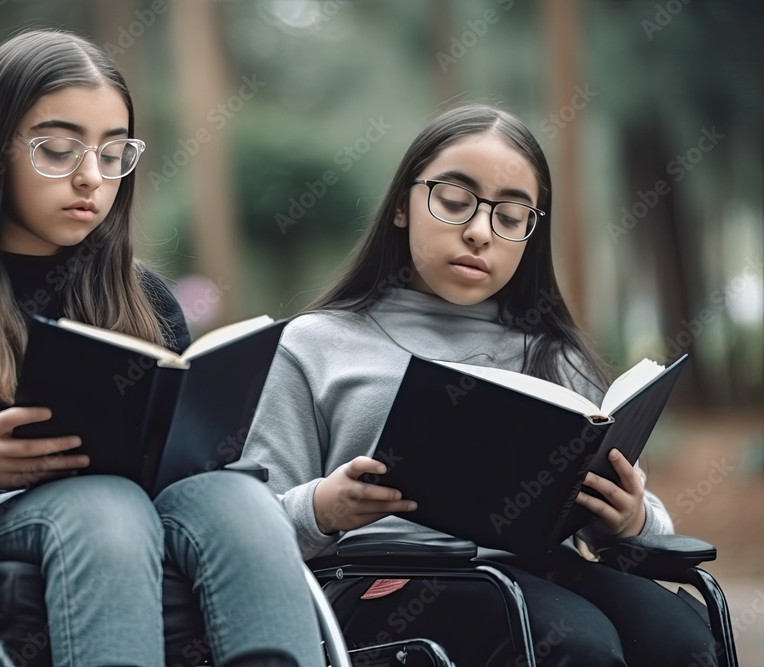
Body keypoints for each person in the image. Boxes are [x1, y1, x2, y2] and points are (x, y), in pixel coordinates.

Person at [0, 29, 323, 667]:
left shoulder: (146, 300)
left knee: (241, 499)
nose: (91, 177)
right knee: (105, 508)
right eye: (57, 149)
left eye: (114, 154)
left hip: (148, 508)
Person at [240, 104, 717, 666]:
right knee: (574, 643)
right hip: (388, 583)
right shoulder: (313, 344)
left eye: (510, 217)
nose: (477, 232)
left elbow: (639, 519)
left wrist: (633, 518)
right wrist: (324, 507)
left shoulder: (555, 354)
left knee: (679, 639)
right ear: (401, 205)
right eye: (453, 200)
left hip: (547, 572)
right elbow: (249, 527)